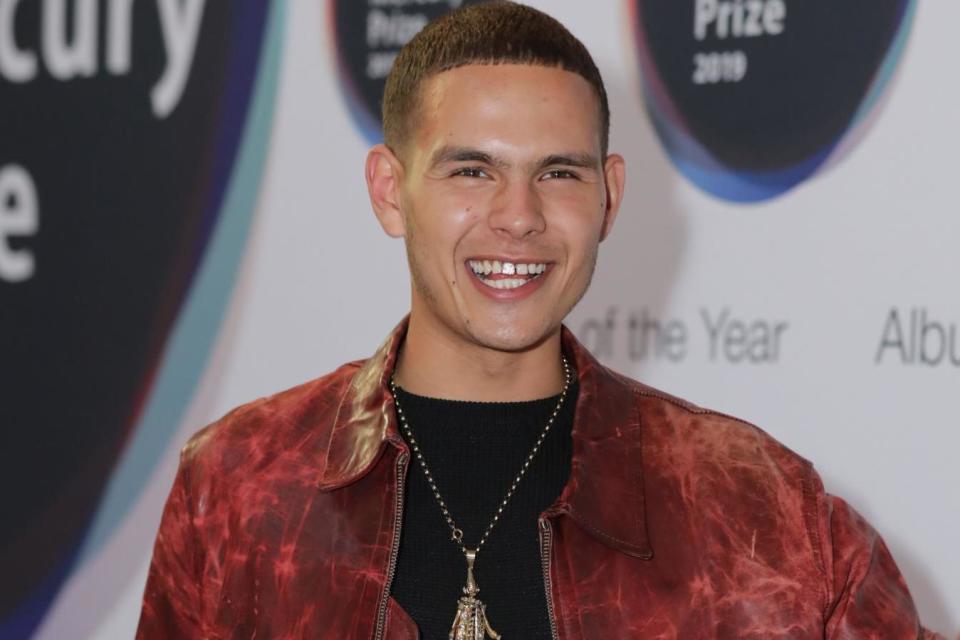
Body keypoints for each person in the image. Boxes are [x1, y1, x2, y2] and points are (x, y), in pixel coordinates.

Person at [136, 2, 943, 638]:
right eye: (472, 170)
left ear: (609, 197)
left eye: (558, 172)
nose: (517, 217)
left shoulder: (762, 510)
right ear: (389, 190)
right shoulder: (240, 489)